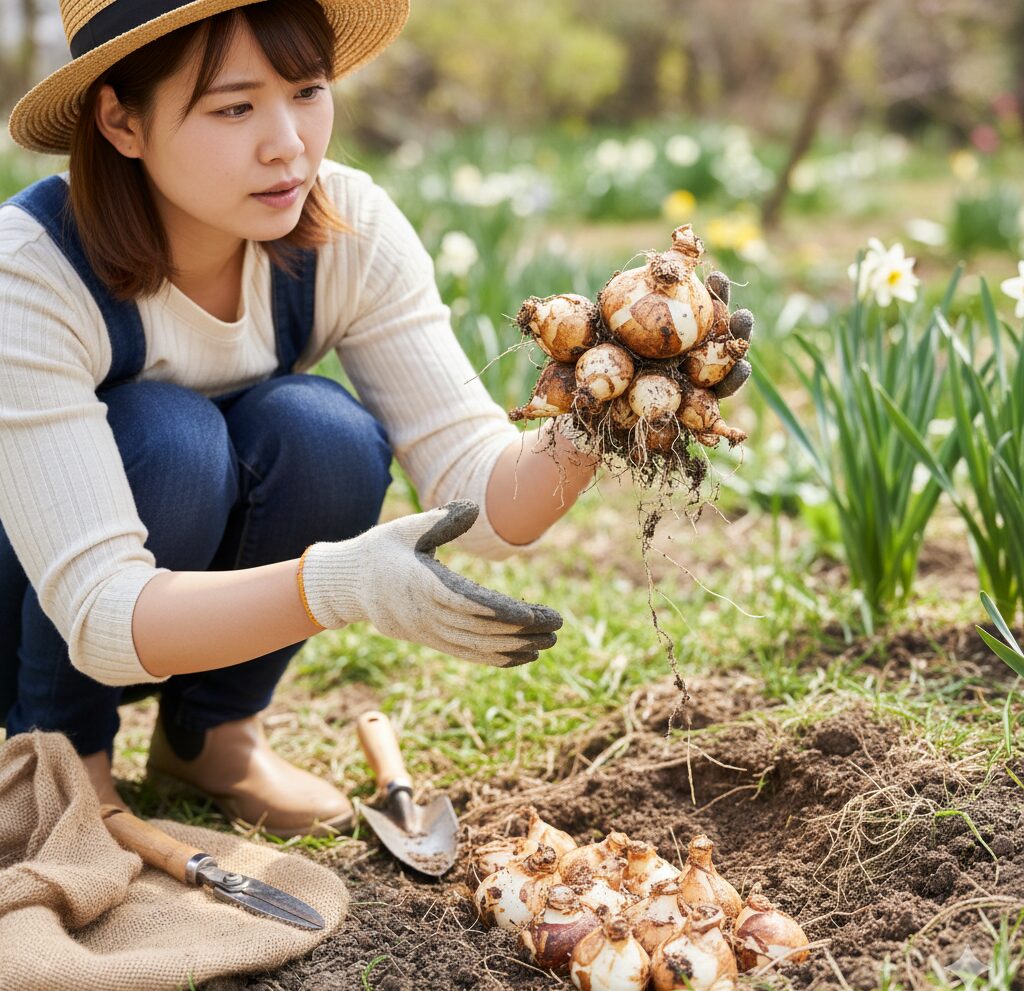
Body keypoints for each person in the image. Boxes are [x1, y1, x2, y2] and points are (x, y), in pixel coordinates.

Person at [0, 0, 598, 838]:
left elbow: (484, 496)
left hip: (165, 608)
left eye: (307, 91)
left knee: (326, 436)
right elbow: (100, 613)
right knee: (171, 439)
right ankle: (57, 761)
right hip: (42, 597)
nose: (288, 144)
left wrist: (605, 411)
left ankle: (212, 736)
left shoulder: (346, 231)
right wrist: (340, 584)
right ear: (122, 121)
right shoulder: (31, 271)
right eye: (234, 108)